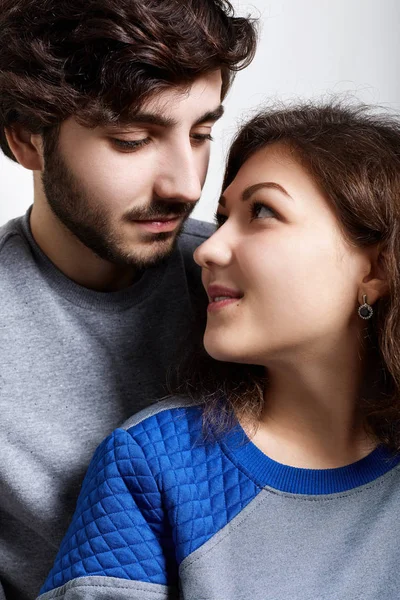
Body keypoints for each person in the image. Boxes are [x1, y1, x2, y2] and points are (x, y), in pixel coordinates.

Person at [39, 101, 400, 600]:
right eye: (224, 217)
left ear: (376, 271)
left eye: (263, 212)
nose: (206, 249)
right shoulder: (153, 464)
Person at [0, 2, 257, 599]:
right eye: (133, 140)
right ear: (26, 139)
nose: (187, 184)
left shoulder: (244, 279)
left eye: (201, 134)